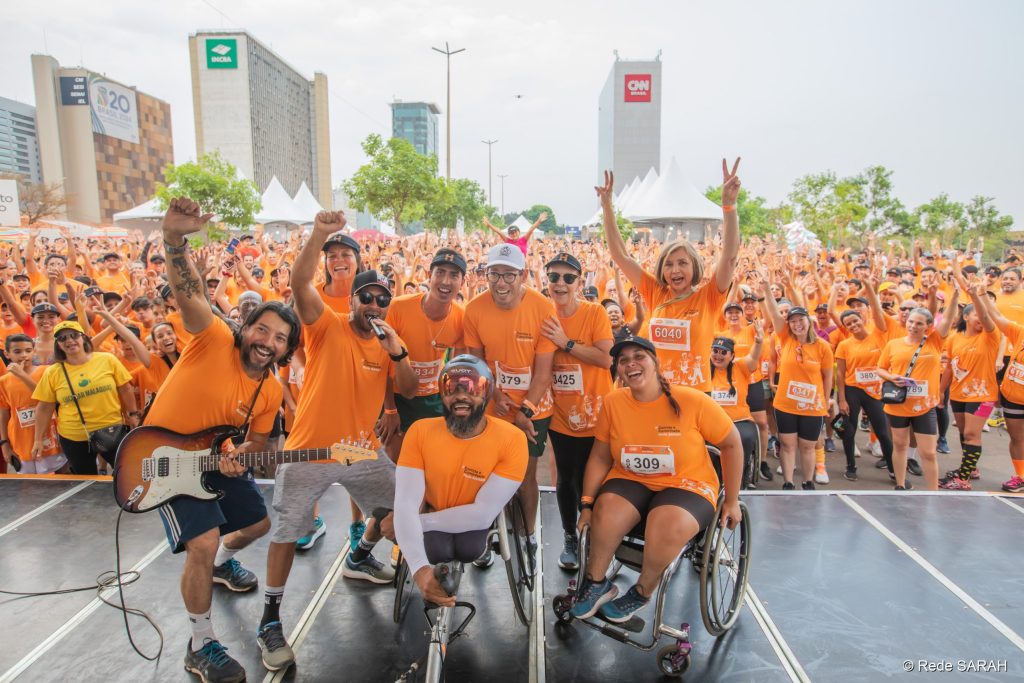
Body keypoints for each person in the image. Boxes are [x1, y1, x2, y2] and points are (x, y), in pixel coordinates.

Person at [146, 197, 299, 683]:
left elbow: (255, 443)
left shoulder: (270, 389)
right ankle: (200, 642)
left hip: (213, 461)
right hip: (163, 459)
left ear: (285, 351)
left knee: (256, 523)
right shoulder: (212, 336)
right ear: (246, 328)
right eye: (262, 329)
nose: (267, 341)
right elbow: (189, 292)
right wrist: (174, 240)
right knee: (203, 541)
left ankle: (219, 565)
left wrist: (241, 459)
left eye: (279, 338)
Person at [257, 211, 416, 673]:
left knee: (401, 506)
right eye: (365, 297)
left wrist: (397, 352)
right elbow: (298, 280)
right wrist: (320, 236)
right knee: (287, 532)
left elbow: (406, 387)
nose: (372, 305)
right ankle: (270, 620)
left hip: (360, 452)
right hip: (308, 451)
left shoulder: (387, 340)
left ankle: (360, 554)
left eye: (380, 299)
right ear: (352, 300)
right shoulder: (325, 326)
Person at [569, 336, 743, 622]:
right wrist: (586, 504)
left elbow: (732, 443)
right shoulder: (613, 403)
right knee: (606, 508)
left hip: (686, 483)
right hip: (631, 477)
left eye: (639, 357)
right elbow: (600, 457)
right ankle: (596, 582)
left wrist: (733, 500)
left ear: (655, 363)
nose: (631, 364)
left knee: (667, 522)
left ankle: (642, 590)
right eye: (623, 360)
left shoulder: (692, 399)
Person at [393, 355, 528, 606]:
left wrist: (414, 523)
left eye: (471, 387)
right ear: (440, 394)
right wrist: (420, 570)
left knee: (469, 548)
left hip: (463, 521)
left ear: (487, 393)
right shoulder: (419, 432)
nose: (461, 394)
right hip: (435, 514)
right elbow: (405, 503)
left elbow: (481, 515)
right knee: (437, 551)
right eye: (450, 386)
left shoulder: (512, 440)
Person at [598, 161, 741, 391]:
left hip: (695, 396)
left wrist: (729, 207)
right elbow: (621, 255)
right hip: (655, 392)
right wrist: (606, 206)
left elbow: (730, 257)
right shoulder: (656, 292)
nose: (675, 270)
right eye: (669, 265)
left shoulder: (709, 296)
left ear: (694, 267)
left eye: (682, 263)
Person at [463, 242, 556, 569]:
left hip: (533, 408)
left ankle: (528, 532)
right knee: (484, 471)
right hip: (492, 404)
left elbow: (544, 373)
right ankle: (483, 532)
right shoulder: (473, 309)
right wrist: (492, 395)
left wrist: (523, 411)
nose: (501, 283)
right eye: (494, 274)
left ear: (524, 275)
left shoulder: (543, 308)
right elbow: (475, 362)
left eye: (509, 275)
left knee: (525, 475)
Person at [541, 251, 613, 570]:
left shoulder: (595, 312)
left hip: (598, 416)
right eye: (554, 276)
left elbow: (606, 359)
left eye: (568, 278)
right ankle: (571, 536)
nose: (560, 283)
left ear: (579, 283)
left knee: (597, 479)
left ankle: (598, 537)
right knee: (567, 480)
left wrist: (566, 343)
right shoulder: (541, 314)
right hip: (561, 415)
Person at [381, 248, 468, 460]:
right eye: (440, 273)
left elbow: (456, 368)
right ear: (429, 275)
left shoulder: (461, 317)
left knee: (431, 463)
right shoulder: (399, 308)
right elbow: (381, 364)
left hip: (433, 400)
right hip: (398, 398)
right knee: (396, 463)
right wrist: (390, 409)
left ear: (462, 282)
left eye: (454, 275)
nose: (445, 281)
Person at [30, 320, 139, 474]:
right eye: (63, 338)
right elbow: (44, 407)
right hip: (74, 437)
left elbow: (125, 388)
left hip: (110, 431)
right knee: (86, 482)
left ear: (84, 338)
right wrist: (38, 440)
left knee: (126, 475)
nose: (69, 340)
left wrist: (133, 414)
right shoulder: (52, 372)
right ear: (58, 345)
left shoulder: (107, 360)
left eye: (74, 335)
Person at [876, 289, 957, 490]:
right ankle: (901, 485)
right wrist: (890, 377)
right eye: (911, 322)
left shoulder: (935, 342)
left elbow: (947, 318)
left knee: (928, 452)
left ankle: (933, 492)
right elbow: (879, 368)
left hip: (924, 406)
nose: (913, 326)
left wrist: (955, 295)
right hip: (897, 405)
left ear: (929, 326)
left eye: (919, 323)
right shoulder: (893, 344)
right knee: (900, 445)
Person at [758, 285, 833, 490]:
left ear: (809, 321)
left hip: (812, 405)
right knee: (788, 445)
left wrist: (825, 401)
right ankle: (789, 482)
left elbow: (828, 376)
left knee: (808, 447)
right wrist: (766, 289)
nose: (797, 324)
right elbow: (774, 313)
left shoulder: (822, 346)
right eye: (793, 321)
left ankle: (808, 482)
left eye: (801, 320)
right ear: (788, 325)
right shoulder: (783, 338)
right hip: (785, 404)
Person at [940, 272, 999, 491]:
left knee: (973, 435)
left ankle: (962, 479)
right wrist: (940, 392)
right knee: (964, 433)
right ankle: (971, 467)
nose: (982, 320)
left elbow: (986, 317)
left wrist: (976, 296)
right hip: (958, 395)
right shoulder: (954, 338)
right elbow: (949, 367)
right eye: (974, 315)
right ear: (966, 317)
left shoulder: (990, 336)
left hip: (984, 397)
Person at [975, 287, 1024, 492]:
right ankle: (1021, 477)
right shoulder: (1019, 332)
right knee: (1017, 438)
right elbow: (996, 315)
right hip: (1013, 398)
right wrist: (982, 294)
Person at [0, 334, 65, 474]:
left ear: (34, 351)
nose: (24, 355)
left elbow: (47, 399)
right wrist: (4, 443)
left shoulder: (46, 372)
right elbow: (4, 413)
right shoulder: (3, 381)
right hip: (22, 441)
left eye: (28, 351)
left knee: (60, 481)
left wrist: (22, 376)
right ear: (7, 354)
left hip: (50, 437)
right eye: (17, 352)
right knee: (29, 488)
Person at [709, 326, 763, 488]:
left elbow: (753, 356)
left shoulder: (741, 367)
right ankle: (713, 480)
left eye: (723, 352)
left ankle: (739, 482)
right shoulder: (703, 370)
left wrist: (759, 341)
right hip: (712, 421)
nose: (718, 355)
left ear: (732, 356)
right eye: (715, 351)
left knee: (744, 438)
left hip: (740, 420)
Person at [483, 212, 548, 255]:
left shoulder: (523, 239)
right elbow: (499, 232)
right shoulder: (508, 241)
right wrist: (489, 225)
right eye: (511, 233)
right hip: (512, 267)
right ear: (509, 235)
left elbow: (531, 229)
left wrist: (539, 221)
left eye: (515, 232)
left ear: (519, 232)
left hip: (523, 266)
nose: (514, 234)